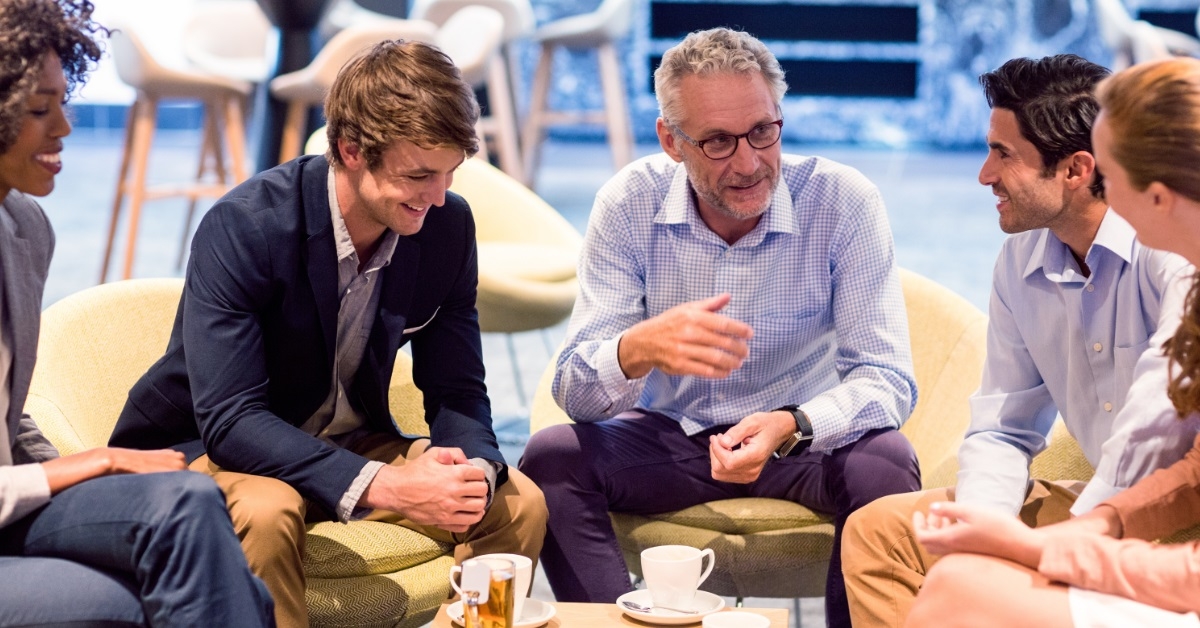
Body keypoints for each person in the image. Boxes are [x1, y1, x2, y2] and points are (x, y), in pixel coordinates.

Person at [107, 39, 547, 628]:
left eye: (448, 174)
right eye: (418, 175)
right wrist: (387, 485)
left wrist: (474, 471)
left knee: (519, 504)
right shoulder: (246, 227)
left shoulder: (446, 225)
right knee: (268, 509)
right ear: (351, 150)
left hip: (347, 440)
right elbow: (232, 421)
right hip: (211, 449)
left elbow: (459, 387)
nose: (438, 197)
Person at [518, 27, 920, 627]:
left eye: (763, 131)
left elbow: (887, 379)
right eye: (718, 142)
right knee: (551, 457)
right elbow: (574, 393)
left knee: (887, 462)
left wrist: (794, 424)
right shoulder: (629, 203)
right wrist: (636, 349)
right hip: (668, 437)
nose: (750, 162)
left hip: (795, 440)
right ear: (671, 141)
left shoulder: (842, 202)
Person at [840, 53, 1198, 627]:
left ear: (1079, 169)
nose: (983, 174)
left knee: (963, 596)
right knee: (885, 533)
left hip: (1167, 517)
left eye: (1002, 154)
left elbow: (1157, 422)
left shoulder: (1171, 255)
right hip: (1111, 504)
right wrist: (986, 532)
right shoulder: (1020, 261)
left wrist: (1075, 539)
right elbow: (1004, 424)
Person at [0, 1, 275, 626]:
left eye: (62, 102)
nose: (64, 127)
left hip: (13, 499)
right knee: (178, 575)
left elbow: (9, 420)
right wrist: (83, 467)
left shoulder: (23, 227)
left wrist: (74, 476)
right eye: (40, 110)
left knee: (189, 500)